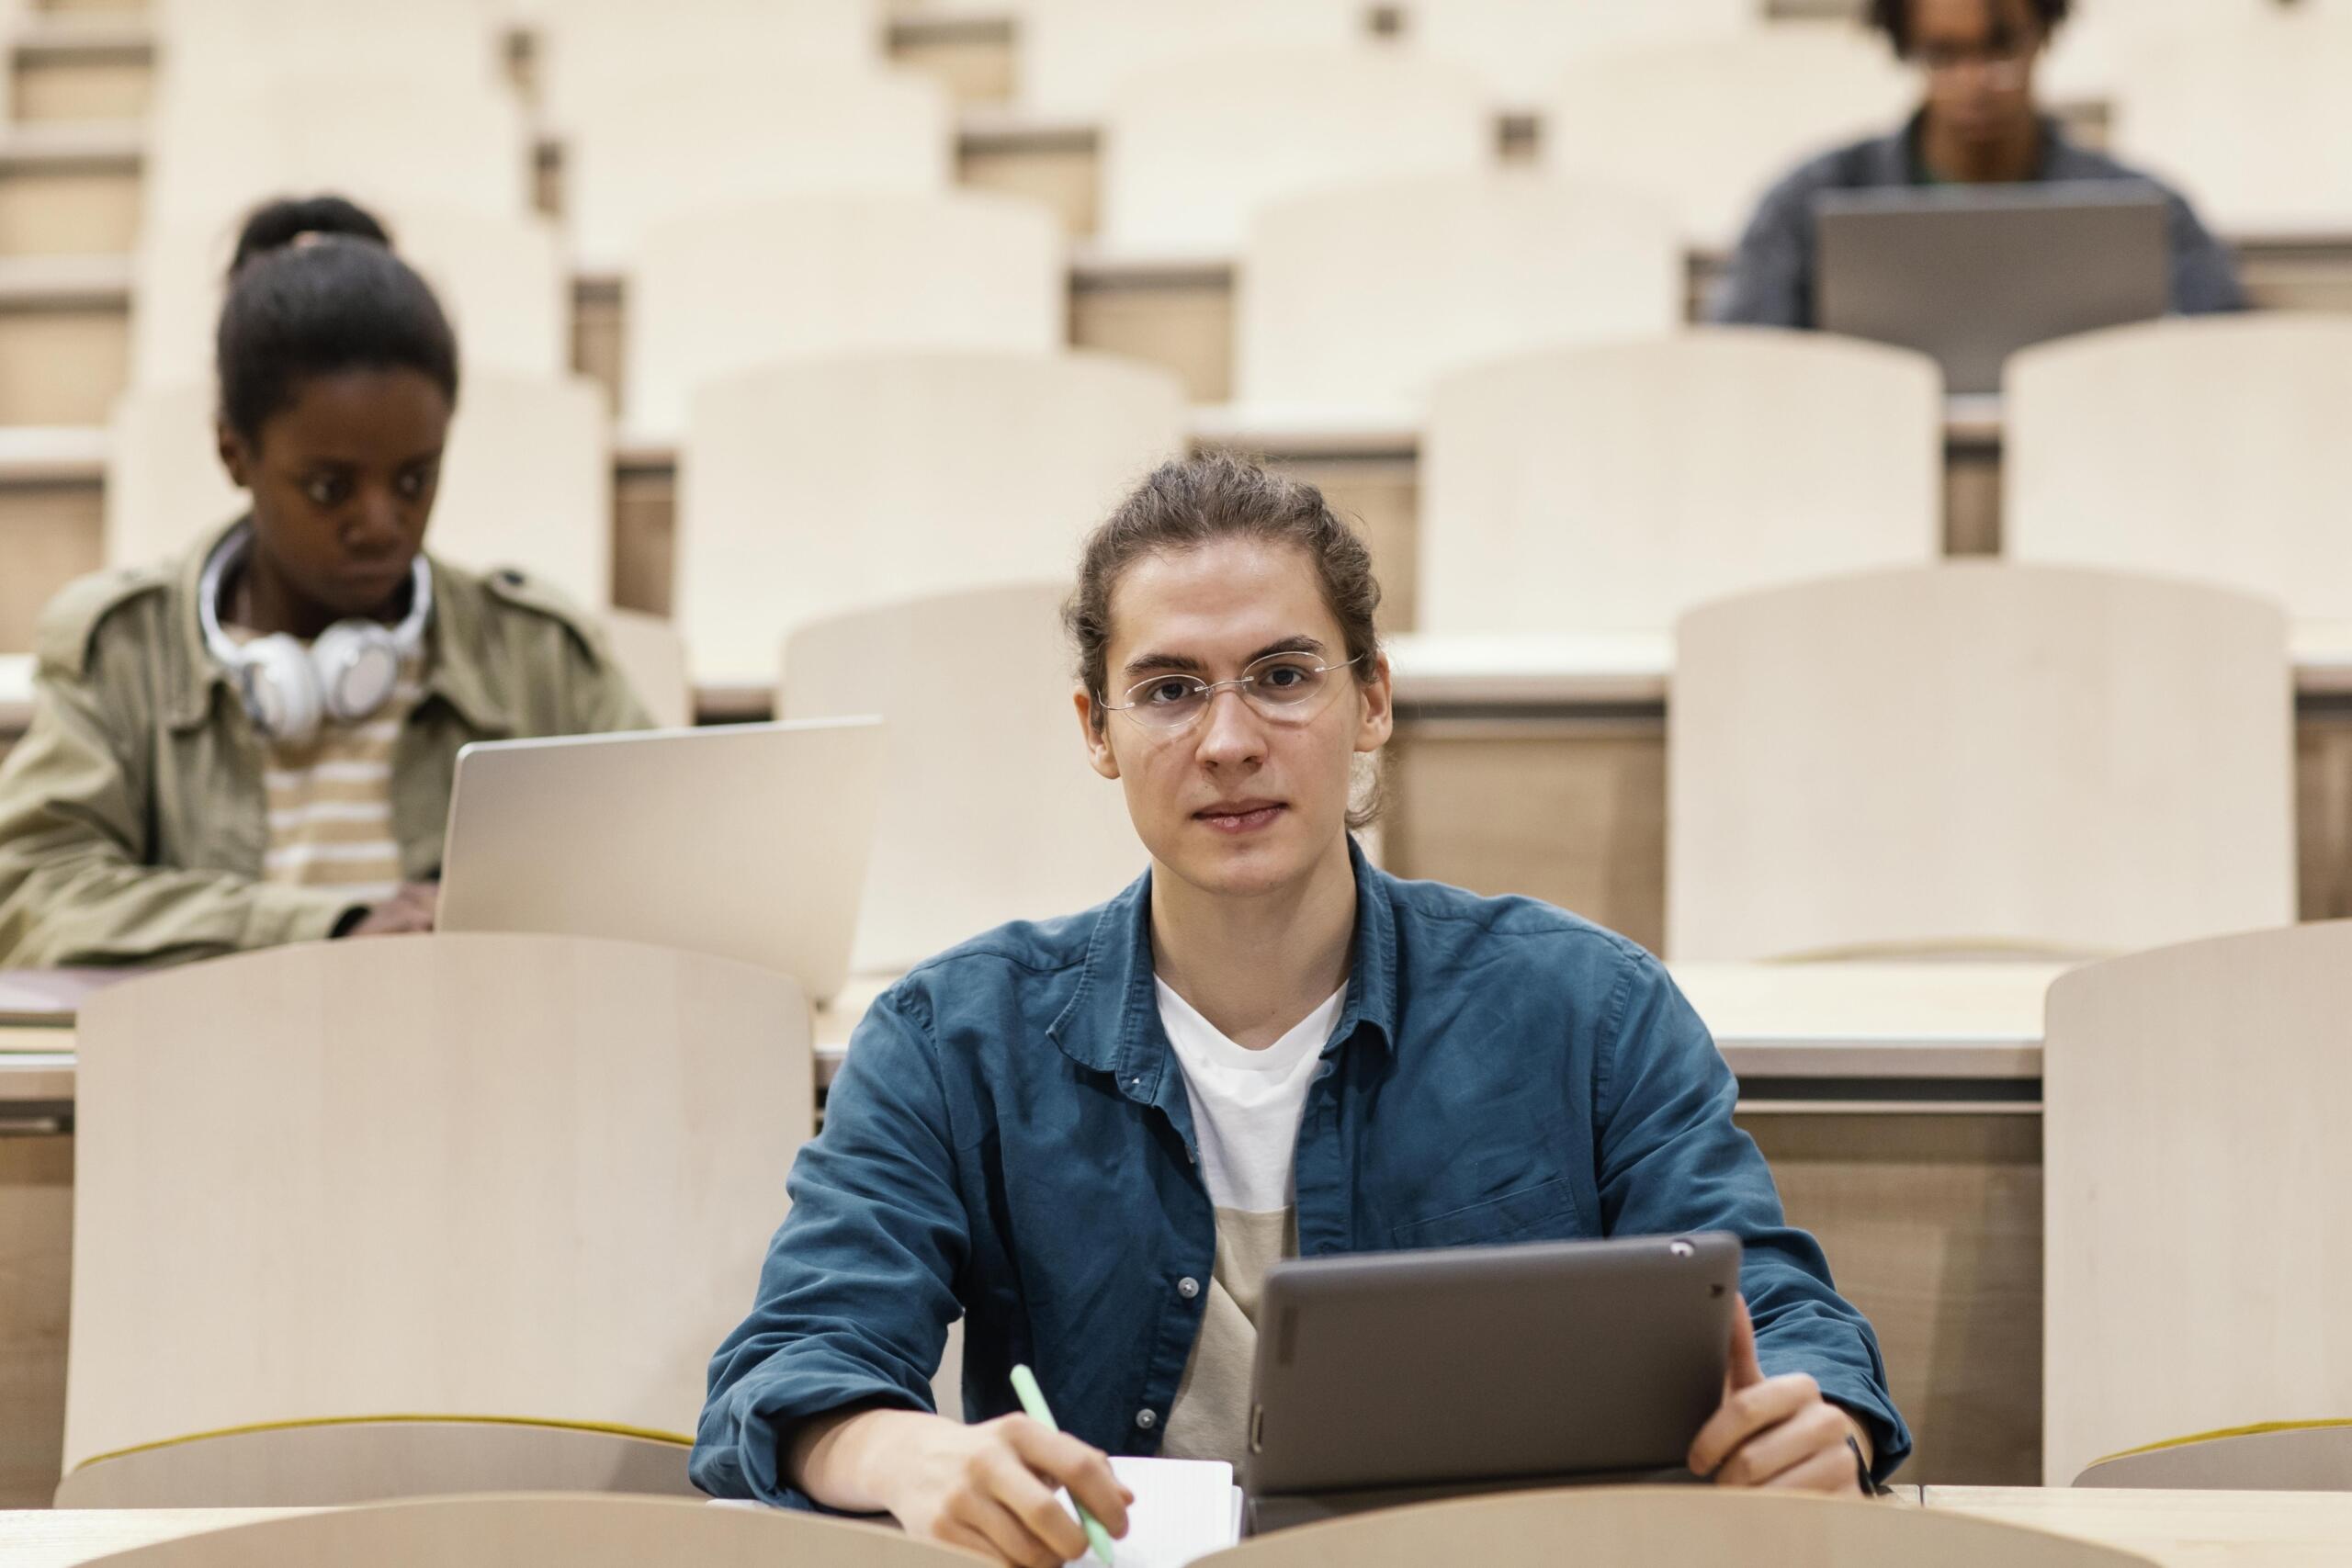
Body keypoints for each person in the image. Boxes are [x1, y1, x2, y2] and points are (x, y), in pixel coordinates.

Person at [694, 456, 1907, 1564]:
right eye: (1169, 689)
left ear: (1372, 699)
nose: (1229, 741)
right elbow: (791, 1370)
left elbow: (1790, 1318)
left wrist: (1822, 1421)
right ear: (1095, 730)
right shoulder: (952, 1038)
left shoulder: (1590, 1007)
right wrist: (908, 1452)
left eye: (1282, 677)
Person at [0, 197, 649, 965]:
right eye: (329, 487)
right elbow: (32, 893)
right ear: (234, 453)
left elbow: (665, 866)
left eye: (415, 479)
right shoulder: (125, 653)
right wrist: (330, 926)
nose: (381, 524)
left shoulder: (538, 651)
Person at [1713, 0, 2245, 327]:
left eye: (2001, 48)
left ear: (2044, 32)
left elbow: (2224, 366)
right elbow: (1748, 377)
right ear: (1906, 47)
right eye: (1944, 55)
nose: (1976, 82)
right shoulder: (1807, 207)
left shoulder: (2143, 211)